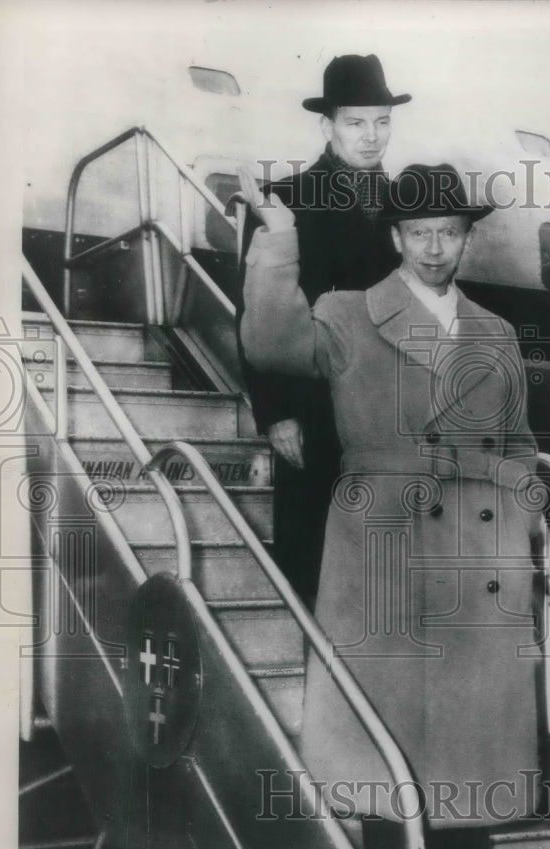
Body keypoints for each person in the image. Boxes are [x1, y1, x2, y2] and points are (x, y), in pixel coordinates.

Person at [239, 162, 542, 849]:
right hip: (382, 533)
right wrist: (276, 242)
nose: (434, 247)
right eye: (418, 233)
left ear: (466, 238)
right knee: (386, 717)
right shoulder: (345, 314)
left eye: (448, 233)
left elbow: (517, 442)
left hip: (480, 543)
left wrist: (523, 517)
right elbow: (271, 345)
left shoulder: (496, 332)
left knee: (477, 723)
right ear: (394, 237)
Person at [236, 54, 410, 607]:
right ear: (327, 126)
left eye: (382, 121)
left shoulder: (407, 205)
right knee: (311, 561)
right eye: (357, 122)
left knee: (382, 574)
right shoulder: (287, 199)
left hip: (388, 414)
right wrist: (277, 412)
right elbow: (259, 315)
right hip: (314, 411)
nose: (372, 136)